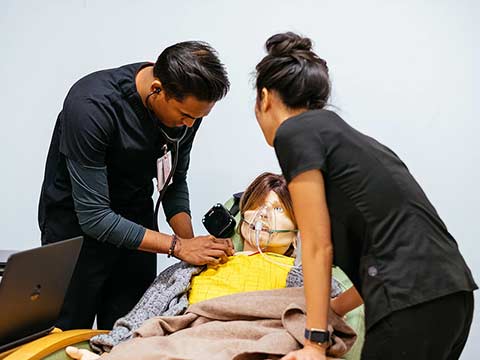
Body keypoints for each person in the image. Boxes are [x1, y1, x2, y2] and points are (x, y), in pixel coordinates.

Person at [253, 32, 477, 360]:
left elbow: (317, 244)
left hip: (408, 305)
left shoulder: (294, 132)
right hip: (451, 297)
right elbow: (386, 248)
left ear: (265, 98)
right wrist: (334, 310)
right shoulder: (356, 141)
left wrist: (315, 342)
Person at [38, 41, 234, 331]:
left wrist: (193, 248)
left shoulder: (186, 109)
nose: (190, 125)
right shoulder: (91, 107)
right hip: (77, 230)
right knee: (66, 333)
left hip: (137, 227)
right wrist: (179, 247)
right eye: (186, 115)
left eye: (198, 118)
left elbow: (174, 180)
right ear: (157, 89)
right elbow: (95, 218)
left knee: (130, 331)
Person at [65, 172, 364, 360]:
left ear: (298, 231)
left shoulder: (303, 275)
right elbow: (147, 312)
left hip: (256, 339)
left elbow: (326, 317)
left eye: (277, 210)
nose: (262, 215)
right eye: (257, 205)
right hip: (188, 335)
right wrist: (113, 350)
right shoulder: (197, 265)